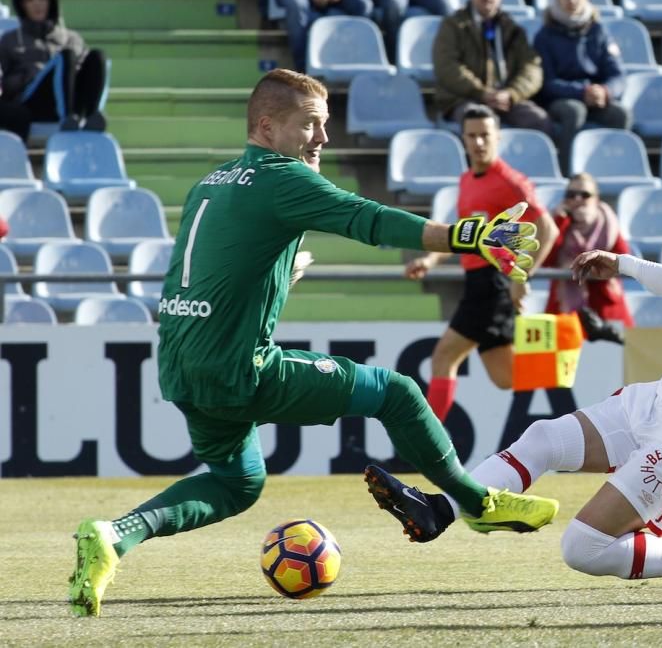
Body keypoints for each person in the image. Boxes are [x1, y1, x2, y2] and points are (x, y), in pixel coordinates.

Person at [67, 69, 560, 618]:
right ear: (267, 125)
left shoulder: (214, 180)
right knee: (396, 393)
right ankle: (476, 503)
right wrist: (468, 235)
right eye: (310, 126)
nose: (323, 138)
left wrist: (282, 269)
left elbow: (220, 265)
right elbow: (367, 220)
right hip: (240, 369)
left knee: (237, 481)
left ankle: (115, 535)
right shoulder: (284, 180)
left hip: (180, 365)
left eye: (324, 126)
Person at [366, 160, 662, 586]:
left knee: (583, 548)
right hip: (657, 403)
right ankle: (439, 511)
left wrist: (623, 263)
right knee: (542, 439)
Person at [404, 105, 559, 423]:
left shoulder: (510, 181)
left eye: (485, 135)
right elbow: (464, 235)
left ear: (498, 137)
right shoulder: (466, 181)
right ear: (462, 138)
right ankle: (561, 355)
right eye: (472, 136)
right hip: (477, 281)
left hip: (493, 281)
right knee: (506, 378)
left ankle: (424, 448)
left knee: (444, 357)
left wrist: (521, 275)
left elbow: (548, 228)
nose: (478, 143)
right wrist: (431, 259)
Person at [432, 0, 553, 135]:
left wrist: (511, 94)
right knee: (477, 121)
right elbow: (446, 66)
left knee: (539, 120)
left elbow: (532, 68)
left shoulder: (513, 29)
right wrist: (482, 93)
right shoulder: (453, 26)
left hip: (506, 99)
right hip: (465, 98)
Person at [533, 0, 631, 173]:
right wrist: (581, 92)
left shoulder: (599, 32)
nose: (571, 1)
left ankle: (612, 171)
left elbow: (618, 74)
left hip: (595, 97)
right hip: (561, 99)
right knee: (574, 111)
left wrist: (605, 91)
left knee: (621, 114)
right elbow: (546, 82)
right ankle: (568, 174)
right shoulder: (544, 36)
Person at [0, 0, 107, 135]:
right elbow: (4, 85)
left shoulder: (71, 38)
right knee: (66, 56)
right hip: (35, 103)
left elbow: (86, 74)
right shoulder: (10, 40)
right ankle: (67, 118)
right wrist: (27, 76)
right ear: (22, 5)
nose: (37, 4)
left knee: (97, 56)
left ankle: (91, 117)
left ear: (51, 0)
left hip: (72, 99)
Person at [543, 173, 633, 341]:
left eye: (585, 195)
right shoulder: (557, 223)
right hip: (564, 311)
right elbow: (546, 260)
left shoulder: (608, 223)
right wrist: (559, 222)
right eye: (571, 194)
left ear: (596, 198)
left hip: (605, 309)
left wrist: (593, 266)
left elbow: (623, 259)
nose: (577, 199)